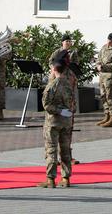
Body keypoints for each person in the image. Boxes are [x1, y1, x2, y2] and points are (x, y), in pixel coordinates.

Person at [38, 58, 75, 188]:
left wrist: (58, 111)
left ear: (54, 70)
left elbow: (46, 105)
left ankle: (50, 179)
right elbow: (72, 102)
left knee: (51, 149)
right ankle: (66, 178)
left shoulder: (51, 85)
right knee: (65, 150)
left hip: (53, 122)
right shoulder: (69, 84)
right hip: (66, 122)